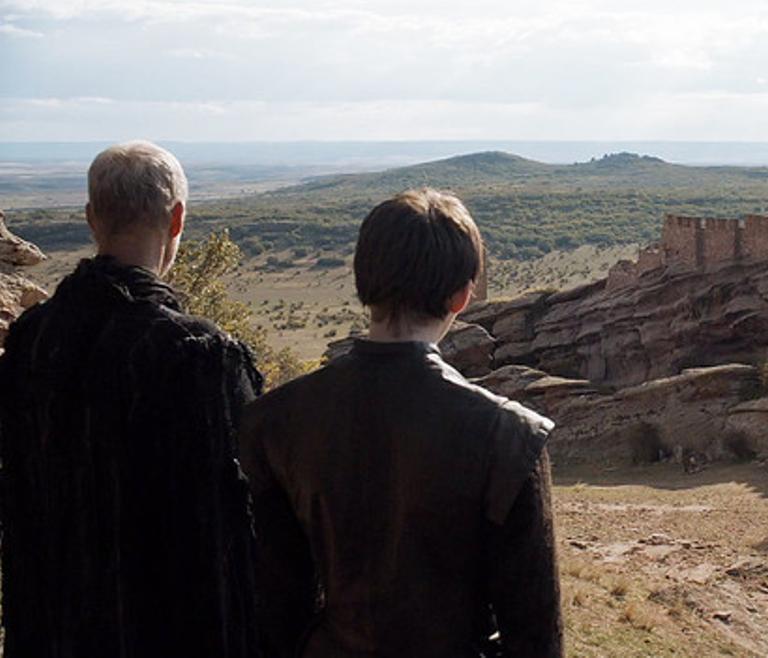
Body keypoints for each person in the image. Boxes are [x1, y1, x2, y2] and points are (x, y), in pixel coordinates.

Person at [240, 189, 562, 658]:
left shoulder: (275, 420)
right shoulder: (508, 436)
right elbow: (535, 636)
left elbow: (276, 608)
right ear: (462, 295)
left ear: (362, 281)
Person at [0, 141, 263, 657]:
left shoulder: (32, 340)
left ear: (92, 219)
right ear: (177, 218)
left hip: (46, 634)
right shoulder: (200, 355)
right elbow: (235, 533)